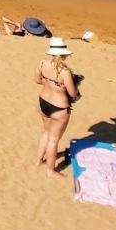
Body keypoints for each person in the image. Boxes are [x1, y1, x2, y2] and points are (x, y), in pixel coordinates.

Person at [35, 37, 79, 177]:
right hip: (59, 107)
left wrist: (50, 83)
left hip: (43, 101)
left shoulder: (42, 64)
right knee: (54, 139)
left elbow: (37, 80)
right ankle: (50, 170)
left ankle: (38, 161)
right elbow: (73, 93)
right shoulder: (65, 72)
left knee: (46, 133)